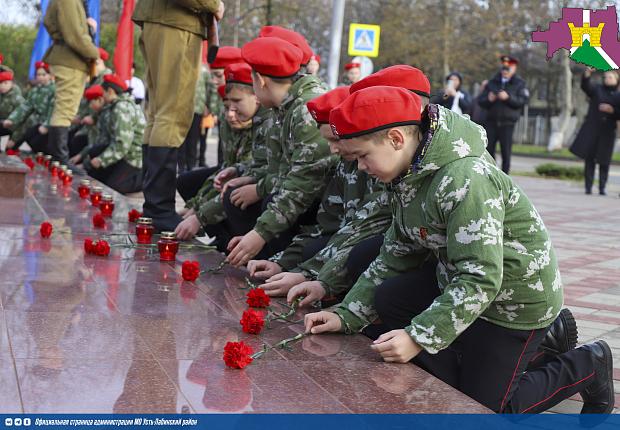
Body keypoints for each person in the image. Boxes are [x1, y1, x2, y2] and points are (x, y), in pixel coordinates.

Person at [304, 86, 614, 414]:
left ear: (396, 139)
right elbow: (396, 253)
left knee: (485, 409)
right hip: (459, 284)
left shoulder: (463, 178)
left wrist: (418, 337)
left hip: (514, 300)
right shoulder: (408, 175)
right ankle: (499, 357)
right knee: (390, 298)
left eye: (363, 156)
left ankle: (588, 363)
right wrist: (346, 315)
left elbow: (481, 278)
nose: (362, 168)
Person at [224, 36, 335, 266]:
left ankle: (276, 265)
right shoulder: (286, 106)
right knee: (244, 196)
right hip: (307, 196)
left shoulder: (306, 109)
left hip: (326, 207)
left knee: (270, 201)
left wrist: (259, 234)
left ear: (260, 81)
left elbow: (302, 184)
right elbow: (279, 169)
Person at [132, 0, 225, 231]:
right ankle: (159, 209)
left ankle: (155, 207)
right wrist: (213, 5)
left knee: (158, 113)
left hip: (165, 20)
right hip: (177, 22)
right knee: (171, 114)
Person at [176, 62, 269, 249]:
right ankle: (223, 238)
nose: (230, 114)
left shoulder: (268, 123)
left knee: (233, 193)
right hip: (248, 176)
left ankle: (241, 245)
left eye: (236, 104)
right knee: (192, 181)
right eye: (227, 106)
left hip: (266, 188)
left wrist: (199, 217)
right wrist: (195, 206)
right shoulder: (236, 119)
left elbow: (255, 173)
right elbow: (229, 167)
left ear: (257, 96)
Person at [43, 0, 100, 170]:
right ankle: (60, 158)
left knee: (64, 109)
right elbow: (75, 35)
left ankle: (58, 157)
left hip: (69, 58)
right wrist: (95, 53)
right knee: (65, 110)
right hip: (70, 60)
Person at [81, 74, 144, 194]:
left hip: (133, 157)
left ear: (110, 91)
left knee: (114, 187)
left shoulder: (121, 108)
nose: (102, 97)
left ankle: (145, 179)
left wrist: (101, 160)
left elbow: (122, 145)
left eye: (103, 93)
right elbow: (105, 140)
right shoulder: (113, 106)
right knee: (95, 159)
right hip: (122, 154)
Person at [570, 68, 620, 196]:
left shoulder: (618, 95)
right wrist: (587, 73)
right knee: (590, 159)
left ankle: (602, 188)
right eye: (605, 77)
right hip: (593, 130)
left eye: (610, 77)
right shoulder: (597, 90)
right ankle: (588, 187)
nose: (607, 79)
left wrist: (612, 111)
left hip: (608, 132)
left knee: (604, 161)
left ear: (616, 80)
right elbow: (585, 86)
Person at [478, 55, 529, 174]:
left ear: (514, 68)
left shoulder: (519, 83)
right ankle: (491, 175)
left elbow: (523, 101)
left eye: (509, 68)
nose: (505, 71)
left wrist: (508, 98)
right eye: (504, 68)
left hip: (507, 123)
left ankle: (505, 178)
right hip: (491, 121)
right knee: (489, 151)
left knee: (506, 152)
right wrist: (489, 99)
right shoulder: (492, 82)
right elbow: (481, 101)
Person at [3, 61, 56, 153]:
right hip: (34, 124)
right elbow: (25, 107)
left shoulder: (54, 90)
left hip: (48, 126)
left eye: (44, 74)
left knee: (37, 147)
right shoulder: (35, 90)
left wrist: (46, 125)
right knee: (16, 145)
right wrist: (12, 119)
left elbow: (54, 110)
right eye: (38, 75)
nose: (41, 77)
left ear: (50, 75)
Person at [69, 84, 107, 160]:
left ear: (100, 100)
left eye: (91, 102)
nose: (90, 106)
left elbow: (95, 143)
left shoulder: (105, 115)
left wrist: (81, 158)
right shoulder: (97, 113)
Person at [0, 69, 25, 145]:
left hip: (14, 131)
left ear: (11, 83)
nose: (2, 86)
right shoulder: (2, 96)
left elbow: (22, 121)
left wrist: (14, 139)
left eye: (5, 83)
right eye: (0, 83)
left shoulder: (17, 98)